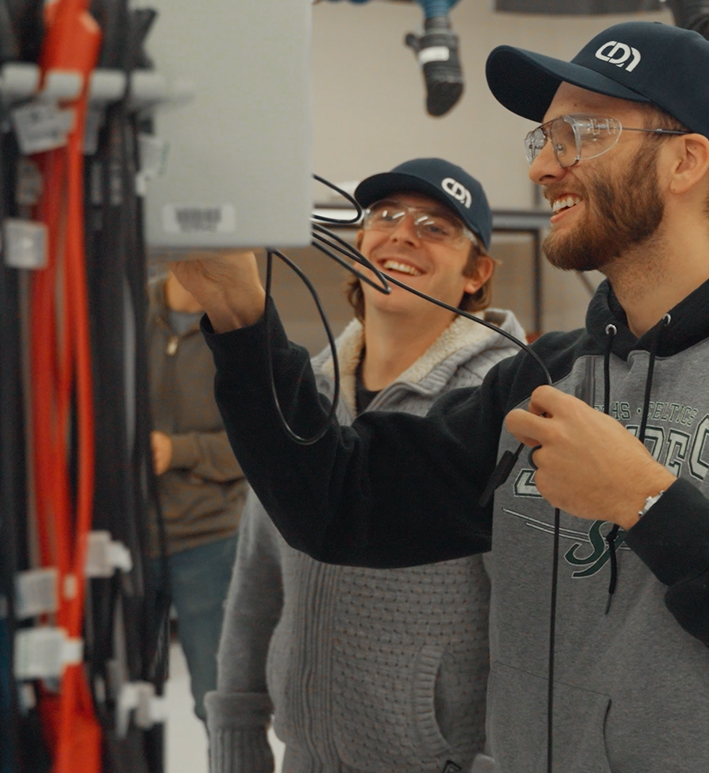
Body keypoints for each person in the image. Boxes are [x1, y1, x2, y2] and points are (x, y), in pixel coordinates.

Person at [176, 21, 709, 772]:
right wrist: (241, 319)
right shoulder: (544, 375)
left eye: (582, 134)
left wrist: (651, 505)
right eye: (545, 138)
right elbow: (336, 501)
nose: (545, 168)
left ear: (687, 160)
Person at [203, 159, 521, 772]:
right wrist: (237, 730)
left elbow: (528, 616)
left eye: (436, 227)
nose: (402, 234)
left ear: (476, 273)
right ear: (359, 244)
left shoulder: (500, 406)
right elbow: (256, 576)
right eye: (385, 216)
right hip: (305, 757)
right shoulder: (299, 390)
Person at [147, 268, 248, 722]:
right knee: (120, 700)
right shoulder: (121, 310)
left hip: (210, 538)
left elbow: (263, 446)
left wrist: (180, 451)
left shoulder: (241, 325)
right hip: (124, 537)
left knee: (219, 698)